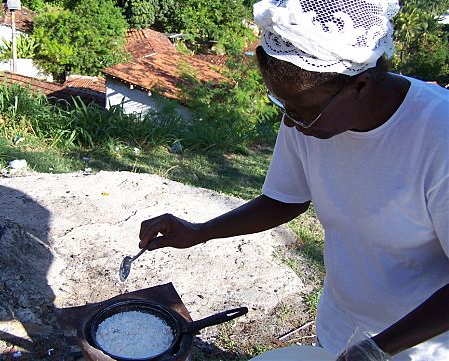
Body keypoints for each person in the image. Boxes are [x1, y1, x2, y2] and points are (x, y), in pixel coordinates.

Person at [138, 0, 449, 359]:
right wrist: (200, 231)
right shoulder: (311, 115)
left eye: (301, 111)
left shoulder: (437, 137)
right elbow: (285, 198)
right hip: (340, 324)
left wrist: (378, 349)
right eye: (281, 105)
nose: (289, 123)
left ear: (360, 86)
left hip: (419, 344)